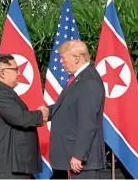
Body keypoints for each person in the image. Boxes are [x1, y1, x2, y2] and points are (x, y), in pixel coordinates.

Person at [39, 40, 106, 179]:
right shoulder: (78, 79)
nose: (61, 62)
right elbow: (69, 107)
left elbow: (87, 121)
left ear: (76, 58)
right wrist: (48, 111)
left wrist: (78, 155)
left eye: (63, 58)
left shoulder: (89, 81)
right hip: (68, 157)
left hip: (81, 162)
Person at [0, 54, 48, 179]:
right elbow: (21, 118)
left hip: (12, 165)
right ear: (3, 73)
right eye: (15, 69)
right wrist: (42, 114)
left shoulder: (0, 90)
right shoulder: (0, 93)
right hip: (8, 166)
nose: (19, 73)